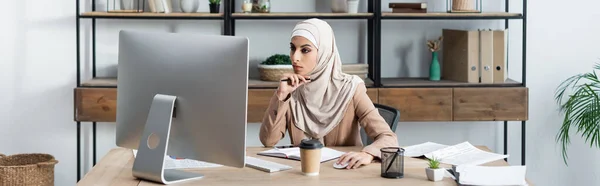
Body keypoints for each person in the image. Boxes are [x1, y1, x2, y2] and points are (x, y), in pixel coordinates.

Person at [259, 18, 399, 169]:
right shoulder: (291, 90)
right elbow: (268, 141)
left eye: (305, 50)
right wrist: (281, 95)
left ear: (324, 51)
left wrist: (368, 154)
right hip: (303, 175)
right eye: (293, 48)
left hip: (345, 174)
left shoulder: (350, 88)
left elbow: (388, 138)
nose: (295, 57)